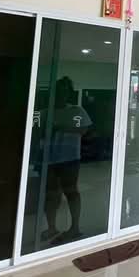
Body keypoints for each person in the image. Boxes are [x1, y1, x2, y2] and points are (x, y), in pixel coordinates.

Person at [42, 76, 92, 244]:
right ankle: (51, 227)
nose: (61, 95)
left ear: (68, 93)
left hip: (70, 158)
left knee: (71, 191)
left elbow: (84, 130)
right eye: (58, 91)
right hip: (49, 159)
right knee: (51, 194)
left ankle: (75, 228)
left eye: (64, 92)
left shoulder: (76, 111)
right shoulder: (45, 112)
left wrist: (60, 127)